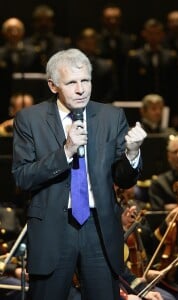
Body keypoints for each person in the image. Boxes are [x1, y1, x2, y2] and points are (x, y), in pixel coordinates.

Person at [11, 48, 147, 300]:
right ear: (53, 86)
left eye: (85, 81)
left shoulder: (111, 116)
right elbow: (22, 177)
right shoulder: (30, 119)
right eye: (72, 82)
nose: (81, 89)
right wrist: (66, 151)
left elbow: (123, 178)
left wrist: (132, 153)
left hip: (99, 228)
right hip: (53, 228)